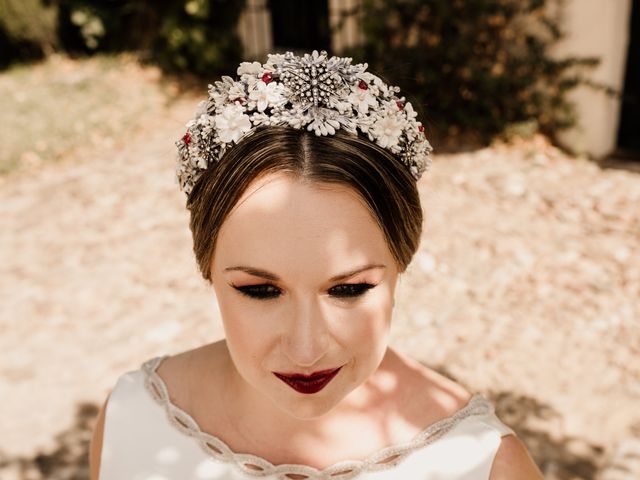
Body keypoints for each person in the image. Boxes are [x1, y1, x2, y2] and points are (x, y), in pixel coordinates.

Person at [89, 50, 544, 479]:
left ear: (401, 260)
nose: (306, 350)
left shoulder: (484, 466)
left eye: (348, 289)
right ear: (207, 265)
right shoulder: (132, 421)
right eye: (260, 290)